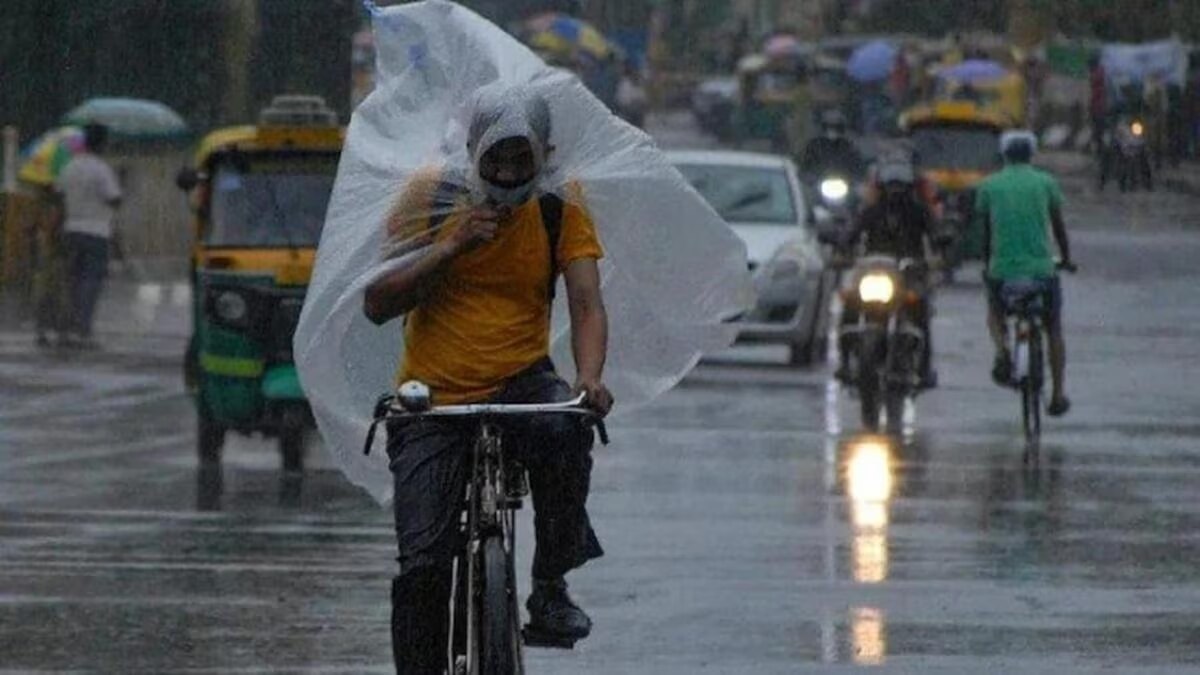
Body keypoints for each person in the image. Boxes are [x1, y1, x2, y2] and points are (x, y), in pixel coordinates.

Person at [362, 86, 612, 674]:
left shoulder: (558, 203)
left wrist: (589, 378)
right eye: (496, 158)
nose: (507, 173)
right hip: (433, 397)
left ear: (544, 156)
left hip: (523, 381)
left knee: (566, 429)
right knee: (424, 564)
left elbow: (585, 301)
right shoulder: (431, 195)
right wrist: (450, 245)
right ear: (473, 150)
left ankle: (549, 585)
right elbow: (377, 302)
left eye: (521, 159)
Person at [976, 131, 1075, 417]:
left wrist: (988, 265)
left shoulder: (989, 185)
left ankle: (1002, 350)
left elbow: (986, 233)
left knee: (995, 312)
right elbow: (1058, 227)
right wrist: (1066, 259)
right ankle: (1057, 394)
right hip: (1042, 271)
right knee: (1053, 328)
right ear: (1031, 155)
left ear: (1004, 155)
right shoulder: (1046, 183)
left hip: (1003, 271)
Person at [835, 158, 939, 389]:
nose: (895, 192)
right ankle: (844, 361)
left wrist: (938, 250)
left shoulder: (918, 212)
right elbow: (852, 233)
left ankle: (923, 368)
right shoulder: (871, 212)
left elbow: (935, 235)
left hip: (909, 272)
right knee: (850, 302)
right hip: (873, 271)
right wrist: (842, 247)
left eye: (900, 186)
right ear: (882, 187)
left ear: (909, 188)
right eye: (891, 186)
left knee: (920, 308)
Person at [52, 123, 122, 349]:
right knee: (90, 282)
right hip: (96, 232)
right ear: (102, 143)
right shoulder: (101, 169)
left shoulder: (70, 167)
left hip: (71, 230)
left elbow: (58, 195)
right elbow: (114, 199)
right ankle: (82, 331)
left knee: (71, 281)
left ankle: (65, 330)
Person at [800, 110, 866, 180]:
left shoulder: (848, 146)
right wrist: (810, 176)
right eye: (828, 126)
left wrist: (856, 176)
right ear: (823, 127)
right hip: (820, 181)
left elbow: (857, 165)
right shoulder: (814, 145)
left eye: (836, 127)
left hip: (844, 181)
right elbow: (807, 165)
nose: (832, 130)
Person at [1088, 55, 1108, 156]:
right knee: (1097, 130)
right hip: (1098, 107)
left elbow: (1096, 93)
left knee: (1098, 130)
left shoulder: (1098, 75)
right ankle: (1099, 149)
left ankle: (1100, 150)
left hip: (1100, 108)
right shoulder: (1100, 74)